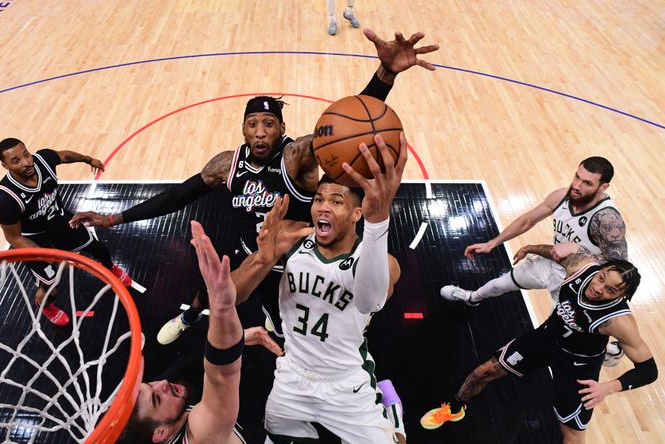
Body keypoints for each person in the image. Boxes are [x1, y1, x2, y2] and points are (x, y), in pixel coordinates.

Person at [70, 29, 439, 346]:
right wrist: (114, 217)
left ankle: (282, 333)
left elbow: (347, 127)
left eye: (269, 124)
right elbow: (176, 196)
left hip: (297, 262)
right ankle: (189, 318)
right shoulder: (225, 164)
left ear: (281, 128)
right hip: (253, 253)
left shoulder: (296, 157)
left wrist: (385, 75)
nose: (261, 132)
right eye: (253, 124)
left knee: (289, 323)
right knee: (214, 293)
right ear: (243, 129)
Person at [230, 134, 417, 444]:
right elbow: (229, 297)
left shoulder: (381, 261)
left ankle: (392, 414)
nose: (323, 208)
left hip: (346, 385)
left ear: (357, 214)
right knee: (275, 434)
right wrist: (262, 260)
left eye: (337, 201)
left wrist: (381, 221)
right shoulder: (292, 241)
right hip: (293, 373)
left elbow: (368, 299)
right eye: (319, 199)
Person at [423, 241, 657, 444]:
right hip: (545, 340)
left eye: (611, 290)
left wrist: (609, 387)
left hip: (576, 368)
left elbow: (649, 370)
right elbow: (555, 252)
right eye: (601, 279)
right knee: (483, 371)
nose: (599, 288)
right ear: (599, 270)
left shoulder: (620, 322)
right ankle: (455, 407)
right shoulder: (581, 266)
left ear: (623, 296)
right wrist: (532, 248)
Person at [113, 220, 294, 444]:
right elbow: (222, 374)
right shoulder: (204, 439)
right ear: (159, 433)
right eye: (156, 397)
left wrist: (239, 340)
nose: (161, 384)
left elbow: (180, 373)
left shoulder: (135, 437)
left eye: (148, 385)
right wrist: (222, 305)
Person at [439, 156, 629, 365]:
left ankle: (608, 349)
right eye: (577, 177)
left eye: (586, 183)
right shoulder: (562, 196)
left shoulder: (608, 220)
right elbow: (527, 220)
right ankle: (472, 297)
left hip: (577, 284)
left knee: (564, 334)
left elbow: (619, 267)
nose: (576, 185)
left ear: (603, 187)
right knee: (501, 283)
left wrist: (577, 249)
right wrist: (493, 243)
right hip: (550, 263)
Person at [0, 138, 132, 326]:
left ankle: (111, 269)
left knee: (98, 248)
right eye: (16, 160)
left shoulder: (43, 160)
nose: (26, 162)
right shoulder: (5, 199)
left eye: (26, 154)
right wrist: (47, 257)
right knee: (51, 287)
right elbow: (14, 237)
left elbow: (64, 156)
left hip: (60, 221)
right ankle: (45, 305)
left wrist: (88, 159)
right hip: (34, 240)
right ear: (5, 165)